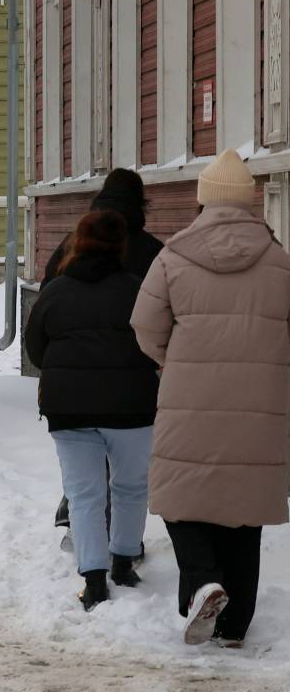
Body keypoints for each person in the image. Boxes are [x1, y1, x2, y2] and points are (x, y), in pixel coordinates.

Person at [131, 148, 290, 648]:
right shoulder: (280, 261)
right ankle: (235, 626)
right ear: (251, 203)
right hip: (261, 407)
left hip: (188, 400)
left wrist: (172, 361)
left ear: (202, 201)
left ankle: (202, 581)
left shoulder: (173, 256)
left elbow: (144, 327)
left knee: (181, 498)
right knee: (243, 512)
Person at [25, 210, 159, 612]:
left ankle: (94, 581)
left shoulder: (54, 292)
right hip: (132, 407)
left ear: (76, 244)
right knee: (131, 486)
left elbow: (36, 349)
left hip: (69, 408)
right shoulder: (139, 291)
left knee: (84, 494)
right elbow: (156, 342)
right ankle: (123, 562)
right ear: (120, 246)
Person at [43, 168, 164, 553]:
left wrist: (60, 362)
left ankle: (85, 537)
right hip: (134, 384)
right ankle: (124, 550)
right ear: (140, 204)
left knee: (85, 472)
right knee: (129, 476)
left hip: (73, 389)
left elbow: (43, 315)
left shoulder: (69, 246)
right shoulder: (154, 252)